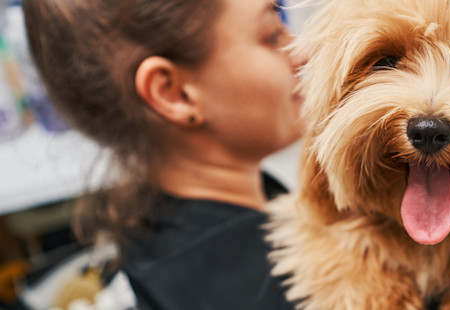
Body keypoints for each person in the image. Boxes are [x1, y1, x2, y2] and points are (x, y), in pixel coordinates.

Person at [24, 0, 305, 309]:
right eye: (272, 35)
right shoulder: (280, 285)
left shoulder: (155, 223)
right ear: (173, 93)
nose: (302, 54)